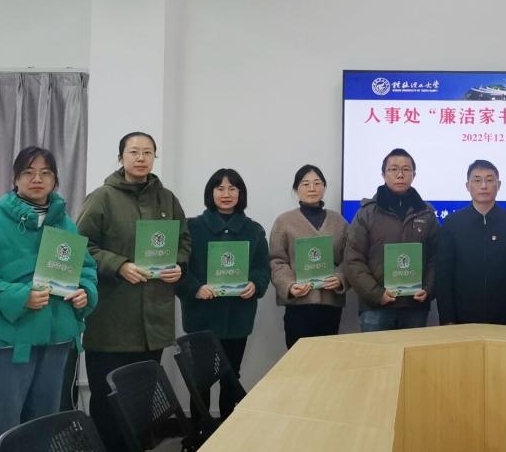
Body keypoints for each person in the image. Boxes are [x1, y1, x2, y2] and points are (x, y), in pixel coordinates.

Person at [0, 146, 98, 452]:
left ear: (55, 180)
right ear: (15, 178)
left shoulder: (65, 225)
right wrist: (20, 297)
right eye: (28, 172)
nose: (37, 179)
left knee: (44, 431)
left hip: (56, 342)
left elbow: (87, 270)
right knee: (3, 436)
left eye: (45, 173)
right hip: (9, 346)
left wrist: (85, 293)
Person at [75, 131, 191, 452]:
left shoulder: (167, 200)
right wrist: (119, 265)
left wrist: (178, 265)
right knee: (108, 404)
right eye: (133, 152)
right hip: (111, 323)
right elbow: (80, 245)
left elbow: (184, 241)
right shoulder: (102, 198)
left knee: (141, 403)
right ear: (121, 157)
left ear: (155, 157)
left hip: (152, 323)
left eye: (147, 152)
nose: (141, 158)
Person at [176, 168, 270, 422]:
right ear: (211, 193)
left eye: (232, 188)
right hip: (201, 318)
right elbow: (178, 268)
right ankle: (200, 433)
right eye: (220, 188)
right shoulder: (192, 227)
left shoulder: (254, 230)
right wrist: (195, 287)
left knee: (231, 377)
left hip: (237, 318)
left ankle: (229, 429)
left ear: (241, 193)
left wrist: (255, 284)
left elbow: (263, 268)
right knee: (201, 380)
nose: (226, 194)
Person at [344, 148, 438, 332]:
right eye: (393, 169)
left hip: (415, 306)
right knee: (378, 352)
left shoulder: (426, 213)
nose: (400, 175)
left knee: (413, 352)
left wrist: (428, 288)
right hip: (376, 307)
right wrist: (377, 294)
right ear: (383, 174)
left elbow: (435, 257)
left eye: (406, 169)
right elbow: (353, 258)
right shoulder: (367, 213)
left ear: (414, 174)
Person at [436, 160, 506, 326]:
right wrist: (447, 317)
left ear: (498, 185)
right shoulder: (452, 223)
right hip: (463, 315)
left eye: (489, 180)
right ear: (467, 186)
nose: (484, 186)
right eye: (477, 180)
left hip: (505, 314)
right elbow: (444, 275)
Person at [270, 164, 349, 348]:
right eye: (305, 184)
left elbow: (349, 259)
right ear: (296, 189)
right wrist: (289, 285)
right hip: (299, 304)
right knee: (298, 359)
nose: (312, 188)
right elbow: (277, 260)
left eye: (317, 183)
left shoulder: (339, 221)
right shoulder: (284, 222)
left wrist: (340, 278)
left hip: (330, 304)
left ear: (324, 187)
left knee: (326, 357)